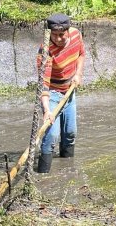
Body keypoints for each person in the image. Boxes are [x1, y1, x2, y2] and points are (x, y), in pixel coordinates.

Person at [36, 13, 85, 174]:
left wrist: (78, 74)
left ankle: (67, 170)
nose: (57, 39)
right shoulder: (46, 50)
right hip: (52, 94)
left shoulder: (76, 34)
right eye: (54, 35)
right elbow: (43, 83)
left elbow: (81, 54)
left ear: (68, 30)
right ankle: (43, 175)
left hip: (69, 91)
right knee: (51, 136)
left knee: (70, 133)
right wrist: (47, 110)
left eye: (61, 35)